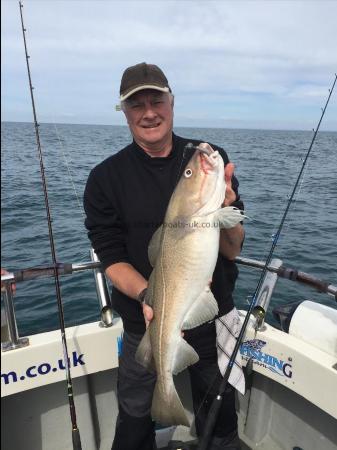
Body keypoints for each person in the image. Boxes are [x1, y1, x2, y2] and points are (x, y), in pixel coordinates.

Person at [84, 62, 245, 450]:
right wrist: (148, 298)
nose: (149, 112)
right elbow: (111, 258)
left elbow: (234, 249)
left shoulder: (209, 159)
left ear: (172, 104)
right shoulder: (105, 178)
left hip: (212, 315)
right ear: (123, 112)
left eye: (157, 100)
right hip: (147, 322)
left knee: (221, 420)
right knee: (135, 416)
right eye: (136, 105)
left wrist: (227, 209)